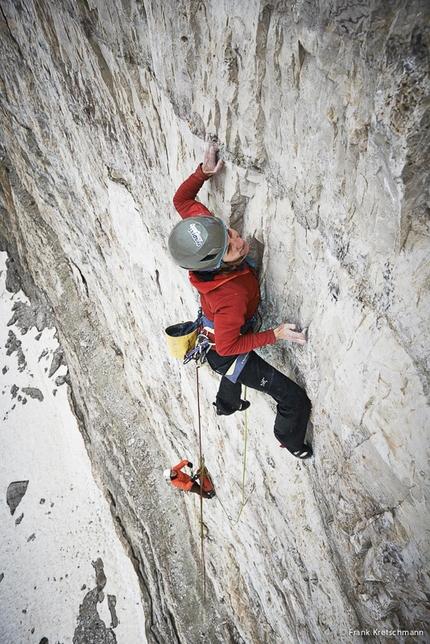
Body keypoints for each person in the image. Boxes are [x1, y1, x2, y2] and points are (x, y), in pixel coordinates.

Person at [169, 142, 312, 459]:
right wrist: (273, 335)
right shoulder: (230, 297)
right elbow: (229, 347)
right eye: (233, 248)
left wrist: (202, 173)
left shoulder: (209, 235)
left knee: (232, 371)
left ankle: (226, 404)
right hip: (224, 346)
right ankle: (290, 441)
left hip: (217, 336)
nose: (239, 241)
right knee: (294, 399)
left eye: (231, 233)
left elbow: (182, 200)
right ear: (215, 264)